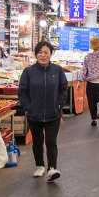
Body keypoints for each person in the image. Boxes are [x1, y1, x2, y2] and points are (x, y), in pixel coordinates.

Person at [18, 40, 68, 182]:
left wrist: (59, 103)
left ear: (50, 54)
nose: (43, 55)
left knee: (51, 142)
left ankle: (52, 168)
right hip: (34, 114)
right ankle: (39, 165)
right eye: (40, 52)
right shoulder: (28, 72)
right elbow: (22, 91)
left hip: (53, 113)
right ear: (36, 54)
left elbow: (63, 89)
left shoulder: (57, 71)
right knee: (38, 141)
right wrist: (28, 106)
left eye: (46, 52)